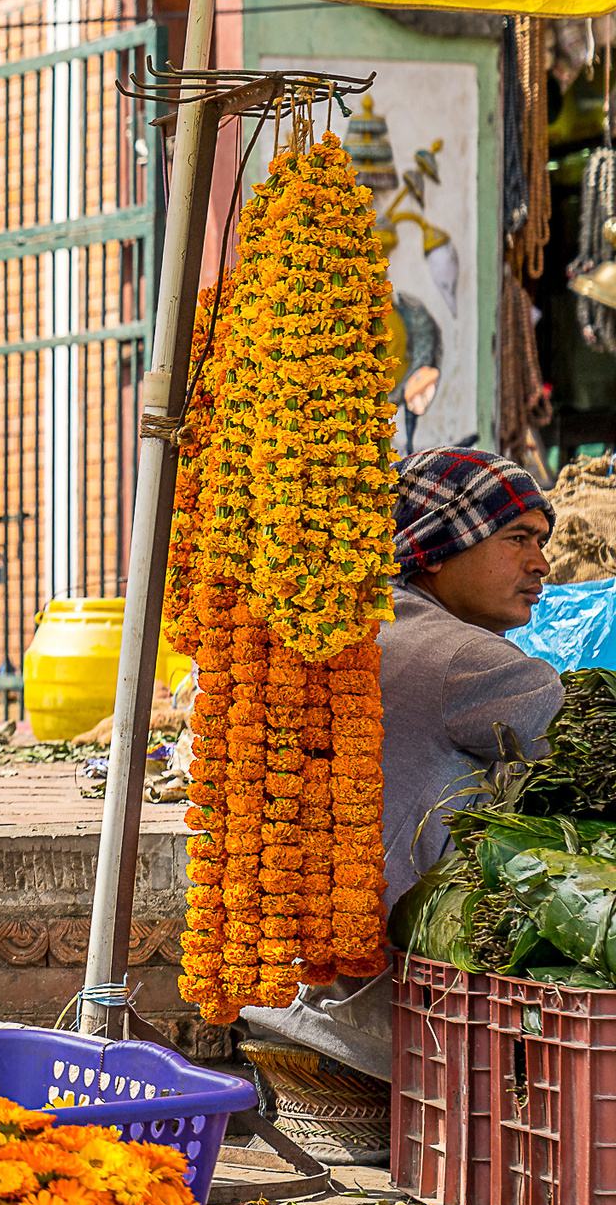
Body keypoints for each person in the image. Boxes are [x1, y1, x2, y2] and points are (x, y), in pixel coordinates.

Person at [240, 447, 563, 1161]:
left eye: (542, 540)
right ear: (439, 550)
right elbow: (576, 751)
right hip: (384, 1026)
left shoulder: (345, 626)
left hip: (282, 1002)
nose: (541, 562)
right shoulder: (470, 659)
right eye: (517, 539)